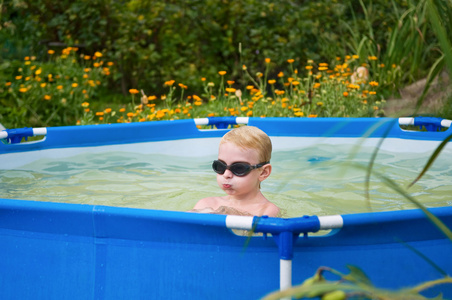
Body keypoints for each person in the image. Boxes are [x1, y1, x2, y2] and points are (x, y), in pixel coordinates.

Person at [190, 126, 280, 217]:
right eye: (220, 166)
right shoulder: (206, 204)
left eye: (239, 168)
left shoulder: (267, 211)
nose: (226, 174)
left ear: (263, 172)